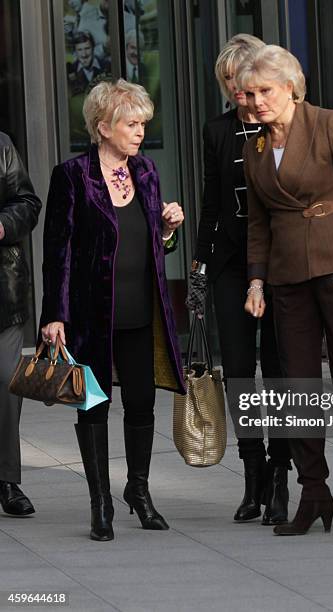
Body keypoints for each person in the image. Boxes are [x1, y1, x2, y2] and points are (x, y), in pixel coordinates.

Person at [236, 45, 333, 535]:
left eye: (266, 90)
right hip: (286, 278)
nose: (257, 101)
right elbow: (258, 223)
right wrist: (256, 280)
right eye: (250, 93)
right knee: (296, 387)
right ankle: (313, 490)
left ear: (291, 87)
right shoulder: (255, 147)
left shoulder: (330, 124)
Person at [39, 79, 186, 542]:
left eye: (143, 123)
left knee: (142, 403)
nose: (139, 131)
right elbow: (57, 252)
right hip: (90, 314)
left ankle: (138, 492)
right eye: (130, 123)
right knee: (94, 406)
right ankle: (100, 501)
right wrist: (53, 315)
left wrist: (166, 231)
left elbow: (153, 246)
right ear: (103, 127)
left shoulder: (146, 172)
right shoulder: (72, 175)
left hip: (142, 309)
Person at [187, 35, 292, 526]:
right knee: (238, 375)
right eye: (227, 82)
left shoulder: (282, 126)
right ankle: (252, 478)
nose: (237, 91)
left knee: (279, 371)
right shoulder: (216, 131)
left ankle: (280, 475)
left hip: (280, 263)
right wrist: (200, 263)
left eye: (242, 80)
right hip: (231, 264)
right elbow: (211, 202)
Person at [0, 132, 41, 516]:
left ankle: (7, 479)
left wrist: (1, 225)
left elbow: (27, 202)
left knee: (6, 381)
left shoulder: (1, 145)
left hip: (3, 292)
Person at [67, 31, 111, 96]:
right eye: (79, 50)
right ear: (75, 52)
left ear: (93, 48)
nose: (84, 54)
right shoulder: (70, 70)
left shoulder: (107, 66)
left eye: (87, 48)